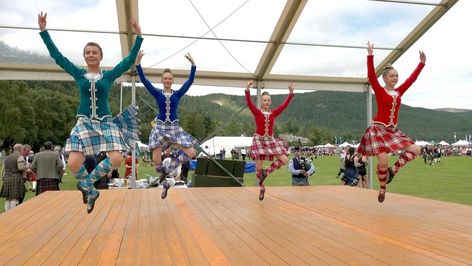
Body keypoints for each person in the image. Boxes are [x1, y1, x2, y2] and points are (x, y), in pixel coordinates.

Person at [38, 12, 143, 213]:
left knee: (118, 158)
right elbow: (57, 57)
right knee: (73, 162)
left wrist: (138, 38)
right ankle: (91, 190)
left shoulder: (109, 75)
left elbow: (129, 60)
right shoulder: (78, 74)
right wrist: (44, 32)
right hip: (84, 122)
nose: (91, 55)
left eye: (95, 52)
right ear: (84, 56)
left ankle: (87, 186)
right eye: (88, 52)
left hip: (105, 122)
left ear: (100, 56)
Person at [357, 41, 425, 203]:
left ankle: (393, 170)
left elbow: (411, 80)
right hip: (378, 130)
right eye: (392, 76)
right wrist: (370, 54)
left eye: (396, 76)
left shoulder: (399, 91)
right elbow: (372, 75)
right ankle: (382, 188)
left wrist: (421, 64)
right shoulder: (379, 90)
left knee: (416, 149)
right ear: (385, 78)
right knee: (382, 161)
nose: (395, 78)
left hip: (393, 130)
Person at [135, 51, 198, 199]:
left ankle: (169, 168)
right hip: (160, 128)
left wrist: (193, 65)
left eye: (170, 78)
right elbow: (144, 81)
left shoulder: (178, 94)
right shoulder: (157, 93)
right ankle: (165, 184)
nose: (168, 80)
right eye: (165, 78)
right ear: (162, 80)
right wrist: (138, 64)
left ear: (172, 81)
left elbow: (189, 81)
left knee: (192, 153)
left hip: (174, 128)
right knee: (156, 159)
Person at [245, 79, 294, 200]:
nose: (267, 102)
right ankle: (261, 188)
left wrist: (290, 94)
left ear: (270, 102)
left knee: (284, 159)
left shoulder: (273, 113)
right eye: (264, 100)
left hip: (271, 141)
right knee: (258, 168)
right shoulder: (257, 112)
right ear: (261, 102)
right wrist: (247, 90)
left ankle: (267, 172)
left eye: (268, 100)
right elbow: (249, 103)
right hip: (259, 141)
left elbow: (284, 106)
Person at [0, 144, 27, 211]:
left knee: (8, 198)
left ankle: (7, 213)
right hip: (16, 179)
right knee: (15, 198)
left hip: (7, 178)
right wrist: (26, 167)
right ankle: (13, 213)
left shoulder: (7, 157)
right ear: (20, 149)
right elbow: (20, 168)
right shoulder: (19, 157)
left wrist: (3, 177)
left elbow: (3, 169)